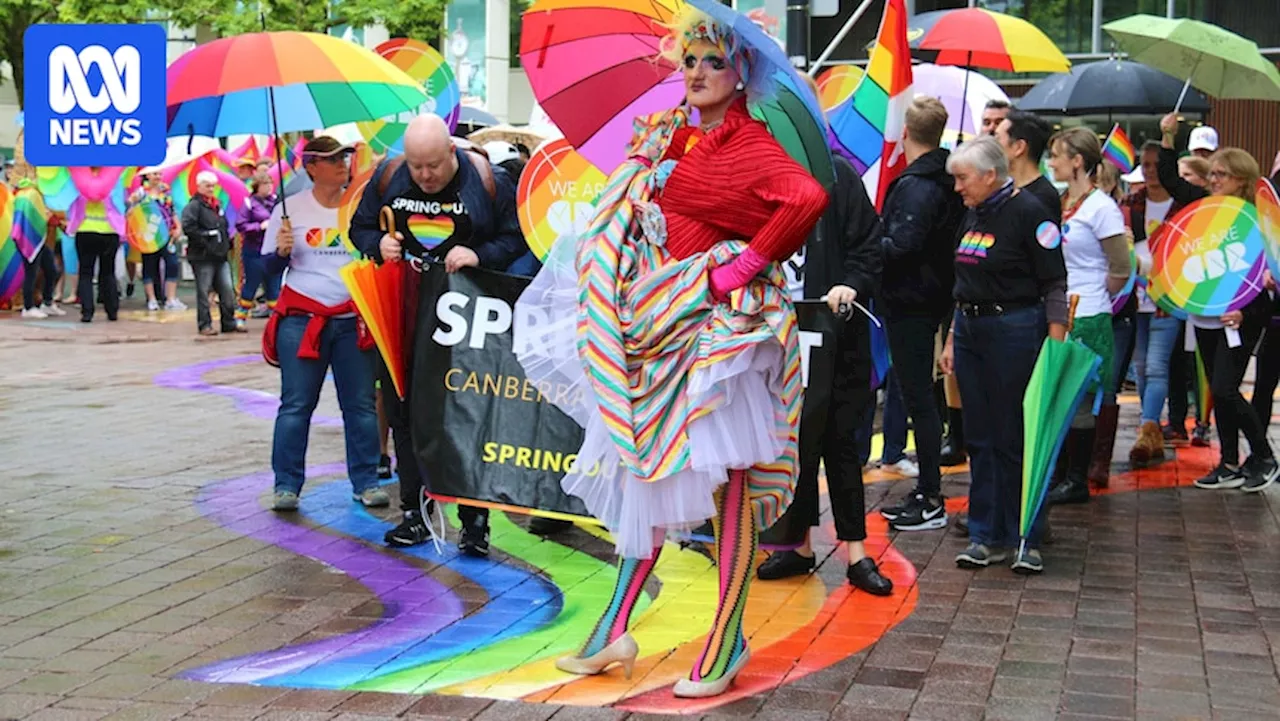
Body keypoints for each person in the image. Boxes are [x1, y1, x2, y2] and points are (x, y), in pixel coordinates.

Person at [517, 7, 827, 696]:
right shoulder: (680, 137)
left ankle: (729, 637)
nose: (695, 72)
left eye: (711, 61)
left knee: (734, 487)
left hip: (722, 338)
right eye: (688, 61)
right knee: (646, 472)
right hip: (661, 324)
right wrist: (650, 168)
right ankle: (612, 631)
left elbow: (806, 197)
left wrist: (740, 267)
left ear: (740, 71)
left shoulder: (749, 144)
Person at [349, 114, 527, 554]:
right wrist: (377, 245)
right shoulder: (389, 177)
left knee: (465, 417)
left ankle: (474, 523)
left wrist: (478, 253)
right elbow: (360, 227)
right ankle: (415, 513)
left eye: (433, 165)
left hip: (465, 318)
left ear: (453, 152)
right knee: (404, 414)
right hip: (404, 314)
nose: (425, 176)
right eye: (416, 166)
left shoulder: (488, 182)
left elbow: (519, 239)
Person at [755, 77, 890, 594]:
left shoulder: (839, 179)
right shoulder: (759, 182)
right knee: (792, 445)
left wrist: (849, 286)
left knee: (840, 443)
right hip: (779, 339)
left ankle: (856, 553)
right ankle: (799, 546)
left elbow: (869, 249)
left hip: (836, 339)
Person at [939, 137, 1068, 575]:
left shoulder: (1030, 212)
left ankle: (1025, 535)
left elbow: (1054, 282)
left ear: (990, 175)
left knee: (1015, 435)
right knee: (980, 436)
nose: (957, 187)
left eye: (963, 178)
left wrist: (1055, 343)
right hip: (973, 329)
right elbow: (962, 283)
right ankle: (985, 535)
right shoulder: (972, 214)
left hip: (1015, 329)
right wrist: (954, 337)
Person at [261, 136, 390, 512]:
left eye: (344, 157)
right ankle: (286, 485)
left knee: (361, 406)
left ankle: (366, 482)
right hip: (303, 321)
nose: (342, 164)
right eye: (332, 159)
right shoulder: (289, 209)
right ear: (310, 166)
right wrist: (281, 253)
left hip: (353, 320)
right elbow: (266, 267)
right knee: (296, 405)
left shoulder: (360, 206)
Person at [1158, 113, 1277, 492]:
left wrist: (1245, 310)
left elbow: (1266, 275)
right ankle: (1228, 462)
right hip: (1206, 315)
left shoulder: (1257, 218)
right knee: (1216, 389)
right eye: (1211, 174)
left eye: (1220, 174)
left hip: (1241, 317)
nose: (1212, 180)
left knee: (1225, 388)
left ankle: (1263, 456)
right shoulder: (1206, 208)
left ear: (1241, 179)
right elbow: (1172, 181)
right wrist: (1166, 138)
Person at [875, 96, 965, 532]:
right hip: (930, 298)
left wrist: (867, 248)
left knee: (919, 399)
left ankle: (929, 495)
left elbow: (903, 244)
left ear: (906, 133)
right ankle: (927, 490)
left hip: (912, 301)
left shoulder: (918, 185)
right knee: (922, 397)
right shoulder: (944, 180)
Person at [1043, 128, 1130, 505]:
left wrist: (1097, 296)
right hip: (1059, 308)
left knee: (1080, 396)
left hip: (1089, 311)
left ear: (1077, 161)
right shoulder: (1061, 201)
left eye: (1058, 155)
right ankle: (1061, 471)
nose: (1052, 162)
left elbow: (1121, 267)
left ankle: (1076, 477)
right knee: (1057, 395)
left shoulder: (1102, 208)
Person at [181, 171, 240, 336]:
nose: (211, 189)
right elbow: (188, 227)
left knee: (227, 289)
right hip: (202, 256)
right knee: (204, 291)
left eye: (213, 186)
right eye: (207, 185)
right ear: (199, 186)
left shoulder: (216, 205)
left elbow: (223, 226)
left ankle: (229, 322)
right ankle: (204, 325)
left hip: (220, 255)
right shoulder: (193, 206)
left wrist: (226, 244)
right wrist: (206, 240)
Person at [69, 167, 126, 323]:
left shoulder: (78, 180)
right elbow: (120, 202)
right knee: (108, 272)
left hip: (85, 230)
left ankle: (87, 312)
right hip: (109, 230)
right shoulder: (114, 179)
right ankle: (112, 310)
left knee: (86, 273)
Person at [128, 169, 185, 312]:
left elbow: (172, 212)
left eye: (159, 174)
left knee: (172, 264)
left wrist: (178, 227)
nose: (157, 177)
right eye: (154, 174)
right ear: (147, 175)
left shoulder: (166, 193)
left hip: (166, 235)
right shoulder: (141, 193)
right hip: (148, 237)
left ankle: (170, 299)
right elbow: (131, 211)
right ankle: (152, 300)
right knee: (149, 266)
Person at [12, 178, 65, 319]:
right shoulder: (31, 194)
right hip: (28, 238)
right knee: (31, 273)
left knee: (51, 270)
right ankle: (28, 307)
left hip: (34, 239)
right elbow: (41, 215)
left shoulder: (26, 193)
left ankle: (47, 303)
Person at [995, 110, 1060, 221]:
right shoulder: (1001, 190)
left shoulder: (1042, 198)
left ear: (1019, 147)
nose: (992, 146)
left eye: (997, 139)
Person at [235, 178, 281, 325]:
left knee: (274, 284)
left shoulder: (276, 201)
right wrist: (259, 226)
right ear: (257, 186)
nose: (269, 187)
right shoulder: (249, 203)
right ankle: (241, 316)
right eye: (265, 184)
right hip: (255, 250)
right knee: (252, 284)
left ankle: (275, 319)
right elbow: (241, 225)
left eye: (270, 183)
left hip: (273, 249)